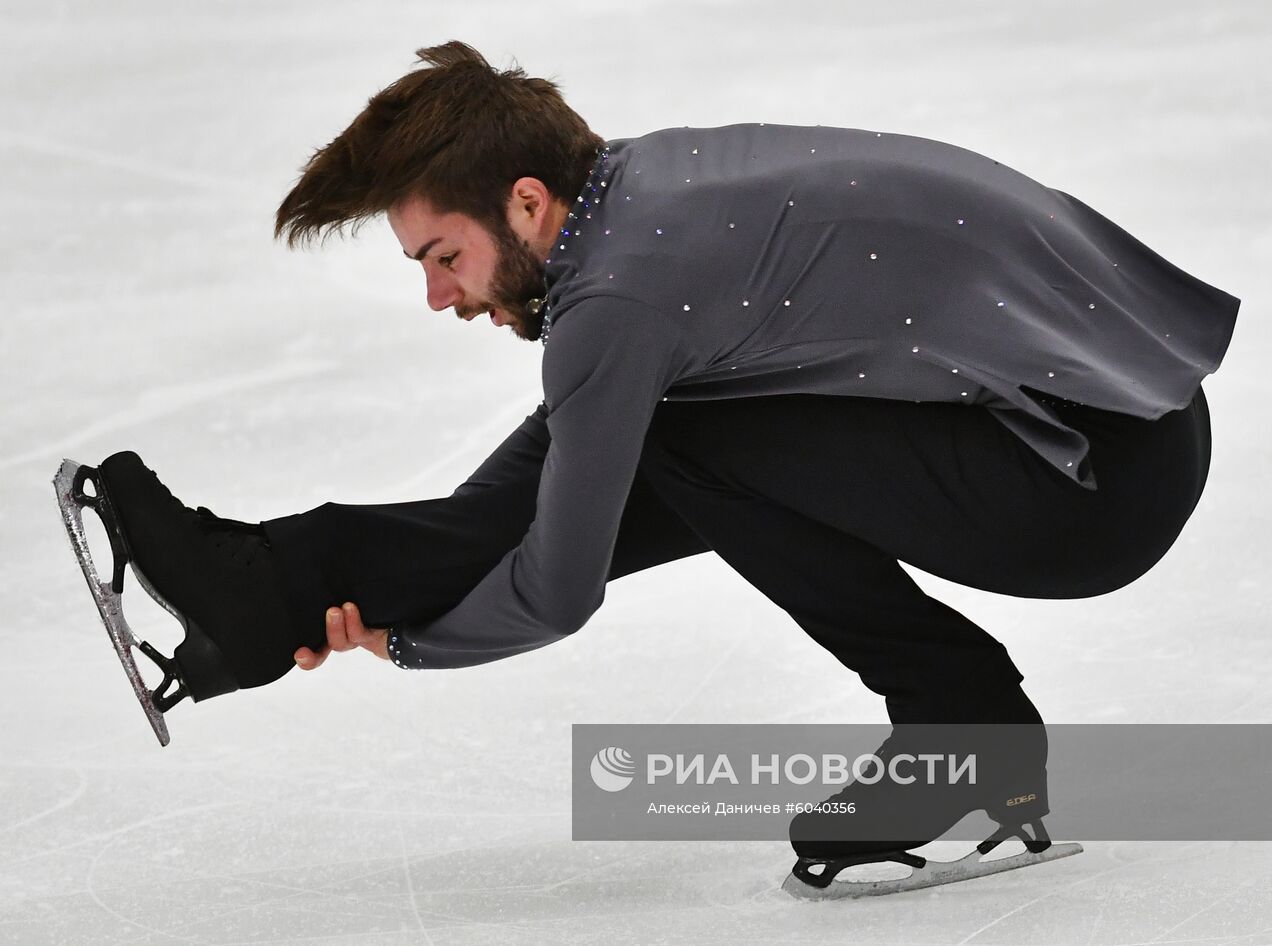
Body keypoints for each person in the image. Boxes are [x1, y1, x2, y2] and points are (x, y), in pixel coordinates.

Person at [81, 40, 1238, 881]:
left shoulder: (620, 298)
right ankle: (260, 578)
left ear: (524, 204)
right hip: (1117, 411)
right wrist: (330, 574)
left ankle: (964, 731)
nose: (437, 295)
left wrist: (410, 637)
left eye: (443, 255)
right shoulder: (634, 195)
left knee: (676, 434)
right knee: (664, 435)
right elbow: (538, 485)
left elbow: (559, 582)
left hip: (1086, 475)